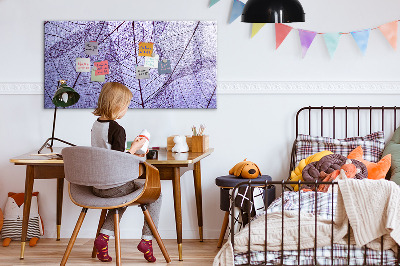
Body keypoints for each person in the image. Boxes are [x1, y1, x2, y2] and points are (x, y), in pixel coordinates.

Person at [91, 82, 161, 263]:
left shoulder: (96, 125)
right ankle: (147, 240)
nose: (126, 109)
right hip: (114, 186)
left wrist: (131, 149)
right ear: (117, 105)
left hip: (97, 186)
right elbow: (119, 161)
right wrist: (136, 148)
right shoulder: (117, 129)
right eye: (127, 105)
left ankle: (103, 238)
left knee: (121, 197)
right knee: (156, 194)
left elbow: (108, 154)